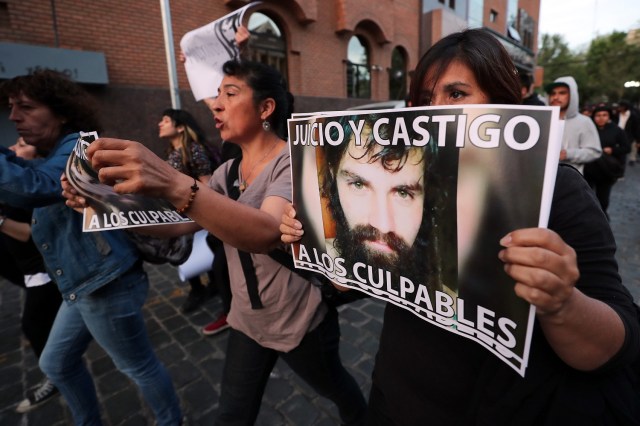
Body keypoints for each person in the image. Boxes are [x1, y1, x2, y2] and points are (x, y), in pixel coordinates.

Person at [281, 29, 640, 424]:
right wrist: (320, 246)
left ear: (502, 102)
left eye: (455, 94)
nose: (434, 111)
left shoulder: (558, 189)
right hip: (394, 400)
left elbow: (614, 345)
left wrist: (562, 303)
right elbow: (355, 281)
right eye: (423, 99)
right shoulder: (405, 170)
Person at [63, 59, 367, 425]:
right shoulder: (228, 170)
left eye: (230, 93)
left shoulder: (293, 161)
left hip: (297, 320)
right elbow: (179, 223)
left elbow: (265, 231)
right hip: (245, 321)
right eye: (217, 94)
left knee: (336, 387)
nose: (215, 104)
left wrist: (175, 184)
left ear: (266, 107)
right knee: (232, 415)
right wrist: (104, 207)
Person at [0, 70, 183, 426]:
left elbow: (36, 185)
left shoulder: (77, 145)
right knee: (55, 364)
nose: (13, 117)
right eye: (10, 107)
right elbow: (27, 172)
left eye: (25, 107)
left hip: (106, 282)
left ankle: (170, 421)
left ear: (61, 112)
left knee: (138, 365)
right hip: (83, 285)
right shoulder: (52, 153)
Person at [0, 137, 63, 413]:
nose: (13, 148)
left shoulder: (36, 184)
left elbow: (29, 233)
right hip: (26, 271)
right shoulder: (20, 182)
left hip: (42, 270)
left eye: (22, 144)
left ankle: (56, 375)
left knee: (33, 324)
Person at [158, 108, 216, 313]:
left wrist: (190, 204)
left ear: (181, 127)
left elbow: (207, 186)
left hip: (195, 216)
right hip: (178, 215)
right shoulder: (171, 152)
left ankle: (212, 287)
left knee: (203, 253)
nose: (160, 124)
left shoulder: (194, 150)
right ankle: (199, 288)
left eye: (166, 120)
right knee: (186, 254)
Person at [546, 76, 602, 174]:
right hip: (542, 178)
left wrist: (568, 154)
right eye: (553, 93)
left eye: (562, 93)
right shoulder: (544, 119)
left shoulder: (584, 121)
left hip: (570, 179)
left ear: (572, 95)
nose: (555, 97)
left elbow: (594, 152)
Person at [584, 103, 630, 217]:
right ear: (593, 117)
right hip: (589, 169)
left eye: (604, 115)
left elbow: (626, 147)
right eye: (598, 115)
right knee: (586, 196)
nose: (601, 118)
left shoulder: (616, 130)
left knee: (603, 199)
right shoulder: (588, 129)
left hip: (606, 170)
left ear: (609, 116)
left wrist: (613, 150)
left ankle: (601, 218)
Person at [617, 99, 640, 167]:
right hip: (618, 133)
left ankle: (632, 159)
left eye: (621, 106)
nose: (619, 108)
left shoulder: (633, 115)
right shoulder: (617, 114)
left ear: (625, 107)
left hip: (630, 134)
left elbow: (636, 128)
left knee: (633, 146)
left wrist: (638, 140)